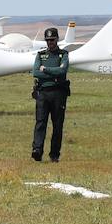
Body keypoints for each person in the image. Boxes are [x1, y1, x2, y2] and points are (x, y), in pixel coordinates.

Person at [31, 26, 70, 162]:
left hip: (58, 93)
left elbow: (62, 71)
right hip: (43, 94)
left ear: (57, 39)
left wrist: (45, 69)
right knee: (40, 122)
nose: (50, 42)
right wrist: (53, 72)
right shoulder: (40, 55)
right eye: (47, 40)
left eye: (52, 40)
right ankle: (37, 150)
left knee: (57, 125)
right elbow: (35, 72)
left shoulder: (63, 55)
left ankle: (54, 154)